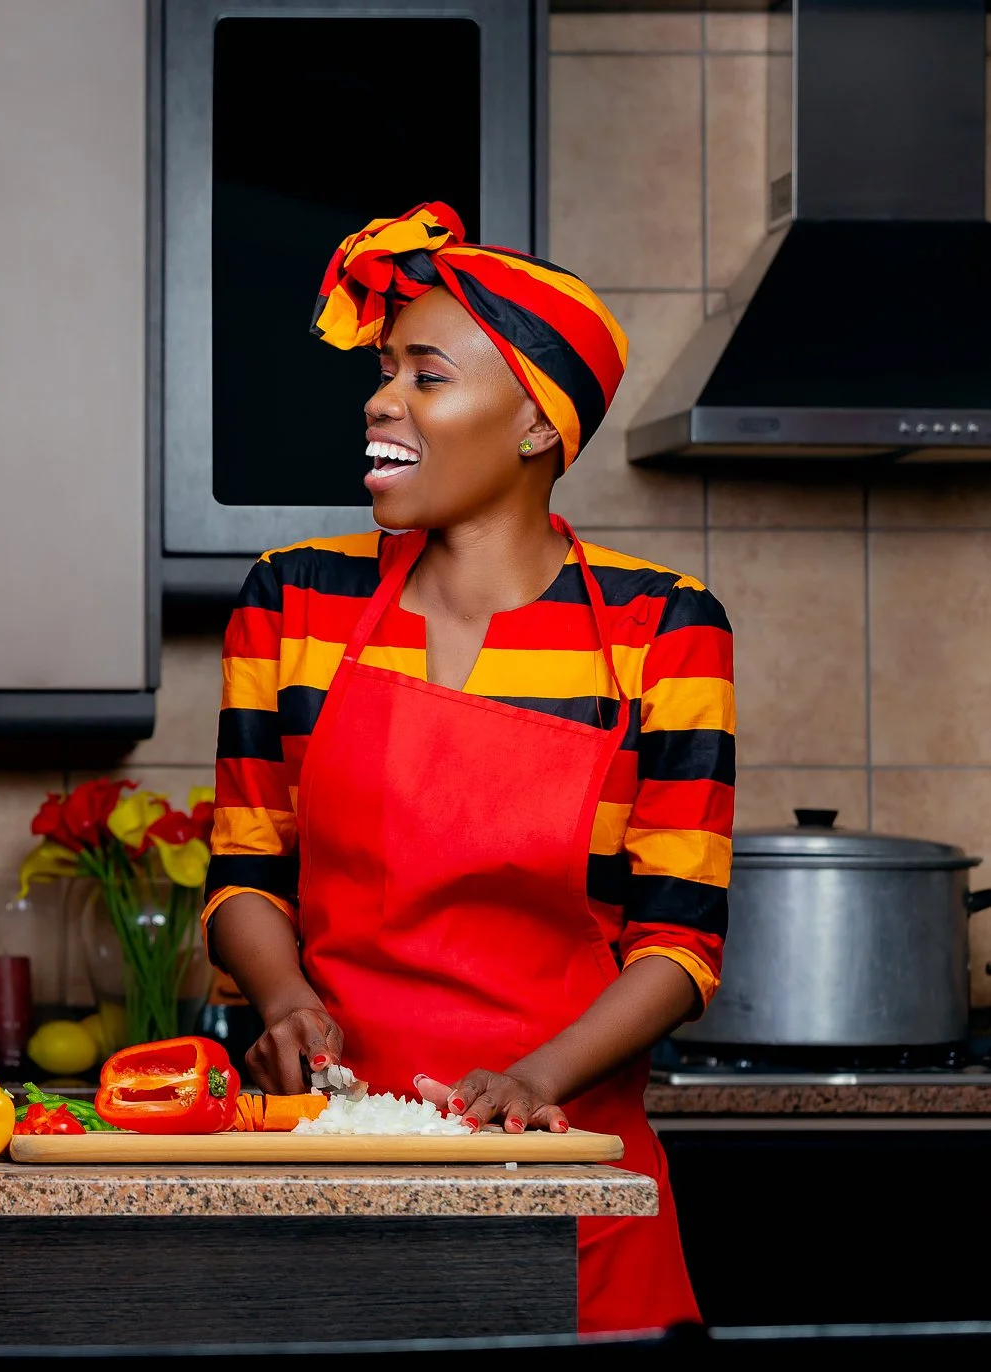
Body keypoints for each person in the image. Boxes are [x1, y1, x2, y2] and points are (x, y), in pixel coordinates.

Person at [204, 203, 731, 1332]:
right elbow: (246, 872)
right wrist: (286, 994)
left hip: (571, 1188)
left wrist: (538, 1077)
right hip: (328, 1182)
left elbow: (680, 944)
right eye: (384, 367)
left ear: (537, 425)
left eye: (424, 374)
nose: (380, 397)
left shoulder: (661, 630)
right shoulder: (292, 597)